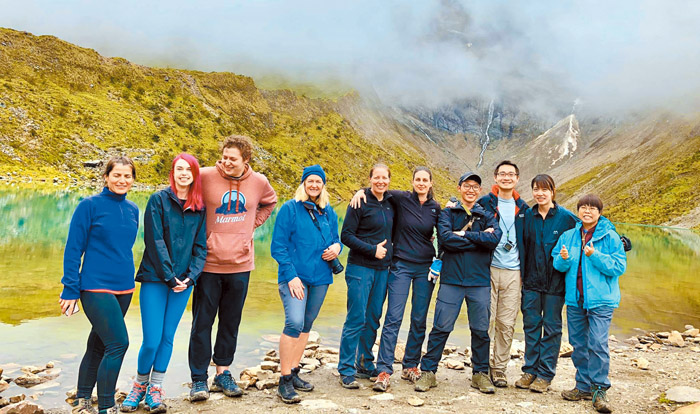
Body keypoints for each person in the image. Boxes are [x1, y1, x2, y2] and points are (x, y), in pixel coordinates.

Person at [188, 135, 277, 401]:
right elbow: (182, 193)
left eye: (233, 159)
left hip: (240, 264)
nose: (226, 162)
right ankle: (198, 379)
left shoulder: (259, 182)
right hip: (208, 263)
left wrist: (251, 224)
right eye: (224, 157)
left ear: (245, 160)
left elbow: (269, 202)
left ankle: (223, 372)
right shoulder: (204, 176)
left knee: (230, 321)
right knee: (202, 323)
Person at [120, 154, 207, 413]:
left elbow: (201, 247)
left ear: (194, 175)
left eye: (188, 170)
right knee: (151, 340)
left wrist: (191, 277)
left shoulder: (200, 207)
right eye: (179, 169)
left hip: (183, 284)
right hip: (156, 279)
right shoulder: (158, 200)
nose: (183, 174)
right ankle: (139, 385)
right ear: (173, 172)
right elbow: (155, 241)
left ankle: (155, 389)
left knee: (167, 337)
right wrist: (170, 277)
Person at [349, 167, 441, 392]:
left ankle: (410, 365)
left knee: (419, 318)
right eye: (417, 179)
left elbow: (444, 237)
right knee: (393, 317)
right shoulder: (400, 198)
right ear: (412, 182)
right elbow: (378, 189)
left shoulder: (435, 208)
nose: (421, 183)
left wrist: (438, 263)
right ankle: (383, 369)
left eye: (425, 180)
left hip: (425, 269)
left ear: (430, 184)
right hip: (400, 265)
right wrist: (359, 191)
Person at [60, 156, 139, 414]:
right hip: (95, 286)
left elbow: (123, 249)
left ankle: (82, 399)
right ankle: (106, 406)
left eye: (127, 176)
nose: (122, 180)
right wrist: (70, 289)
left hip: (124, 287)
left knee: (100, 342)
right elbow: (73, 249)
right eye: (117, 175)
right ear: (106, 177)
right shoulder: (89, 206)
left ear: (133, 180)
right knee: (119, 343)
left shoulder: (133, 210)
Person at [414, 172, 501, 394]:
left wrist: (463, 236)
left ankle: (480, 374)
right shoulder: (447, 213)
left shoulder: (488, 215)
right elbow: (445, 239)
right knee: (441, 327)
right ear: (460, 187)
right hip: (451, 280)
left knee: (480, 330)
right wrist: (477, 238)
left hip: (479, 281)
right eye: (467, 185)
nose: (471, 190)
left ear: (479, 191)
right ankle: (428, 372)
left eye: (475, 186)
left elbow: (493, 241)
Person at [270, 164, 342, 403]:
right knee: (294, 322)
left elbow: (335, 239)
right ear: (303, 183)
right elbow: (278, 247)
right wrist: (291, 276)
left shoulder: (328, 211)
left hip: (321, 277)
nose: (314, 185)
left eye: (318, 182)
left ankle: (293, 372)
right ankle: (283, 381)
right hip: (294, 277)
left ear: (323, 185)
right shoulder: (289, 209)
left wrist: (337, 248)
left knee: (306, 325)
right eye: (310, 181)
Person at [554, 194, 626, 413]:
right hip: (575, 301)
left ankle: (599, 389)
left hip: (601, 301)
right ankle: (583, 386)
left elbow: (618, 267)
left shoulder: (610, 237)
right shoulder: (568, 236)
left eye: (592, 208)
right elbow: (558, 263)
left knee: (598, 343)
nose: (587, 211)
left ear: (599, 213)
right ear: (578, 211)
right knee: (578, 344)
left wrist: (594, 255)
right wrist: (564, 259)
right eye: (583, 207)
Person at [515, 174, 578, 393]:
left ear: (552, 191)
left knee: (551, 328)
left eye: (544, 189)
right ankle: (530, 370)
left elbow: (589, 231)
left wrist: (618, 241)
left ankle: (545, 374)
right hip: (531, 282)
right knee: (531, 326)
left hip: (555, 285)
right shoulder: (525, 216)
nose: (539, 193)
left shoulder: (567, 218)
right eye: (535, 189)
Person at [338, 163, 395, 389]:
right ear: (370, 179)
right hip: (360, 268)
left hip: (383, 270)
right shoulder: (359, 202)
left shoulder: (391, 203)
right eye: (376, 177)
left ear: (389, 180)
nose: (380, 181)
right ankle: (345, 369)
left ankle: (364, 362)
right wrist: (372, 249)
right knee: (356, 318)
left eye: (384, 178)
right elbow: (346, 236)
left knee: (372, 318)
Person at [476, 161, 528, 387]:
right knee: (485, 320)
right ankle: (480, 367)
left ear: (517, 178)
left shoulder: (525, 208)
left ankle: (498, 369)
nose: (506, 177)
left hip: (514, 272)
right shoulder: (485, 203)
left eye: (511, 174)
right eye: (502, 174)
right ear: (495, 177)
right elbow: (464, 220)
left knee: (506, 323)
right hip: (486, 269)